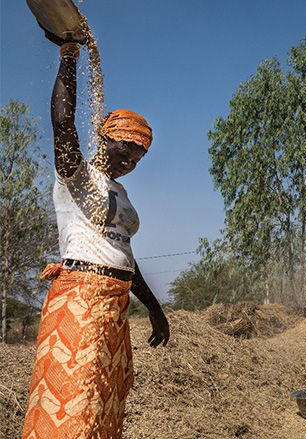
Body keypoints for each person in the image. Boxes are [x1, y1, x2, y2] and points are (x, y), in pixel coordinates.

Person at [22, 33, 170, 438]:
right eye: (123, 150)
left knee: (103, 403)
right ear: (103, 136)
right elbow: (62, 121)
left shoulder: (118, 194)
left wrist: (154, 308)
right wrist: (69, 54)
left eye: (136, 159)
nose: (127, 162)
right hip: (80, 301)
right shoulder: (78, 175)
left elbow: (123, 254)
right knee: (71, 403)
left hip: (114, 306)